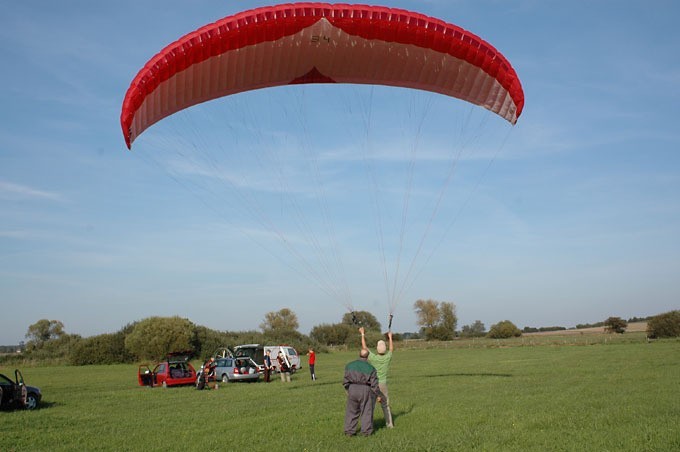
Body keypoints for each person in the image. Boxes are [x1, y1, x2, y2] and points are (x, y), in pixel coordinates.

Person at [343, 348, 383, 436]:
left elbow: (345, 380)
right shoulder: (371, 368)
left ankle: (349, 431)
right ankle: (366, 432)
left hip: (352, 388)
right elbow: (374, 385)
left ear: (359, 354)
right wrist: (379, 395)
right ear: (368, 357)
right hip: (365, 389)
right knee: (366, 411)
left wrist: (348, 389)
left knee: (351, 411)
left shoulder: (349, 365)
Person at [360, 326, 394, 428]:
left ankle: (369, 425)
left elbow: (364, 348)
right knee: (385, 405)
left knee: (371, 406)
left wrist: (362, 334)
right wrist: (390, 337)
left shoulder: (373, 358)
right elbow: (391, 349)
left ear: (377, 349)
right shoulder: (388, 357)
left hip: (373, 384)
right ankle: (390, 424)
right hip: (383, 384)